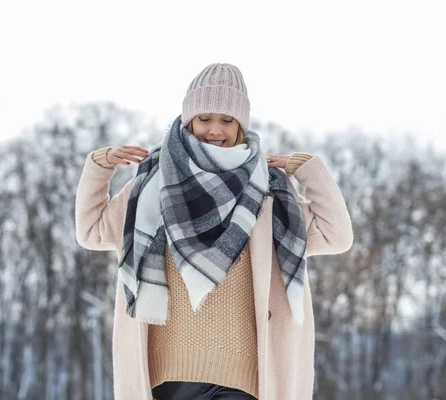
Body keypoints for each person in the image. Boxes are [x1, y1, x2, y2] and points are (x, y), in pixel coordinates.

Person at [75, 63, 354, 400]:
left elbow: (336, 235)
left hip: (243, 378)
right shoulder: (152, 183)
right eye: (205, 118)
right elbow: (91, 231)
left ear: (241, 124)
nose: (215, 130)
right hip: (168, 377)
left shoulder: (267, 188)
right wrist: (99, 168)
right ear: (189, 119)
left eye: (227, 120)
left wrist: (309, 171)